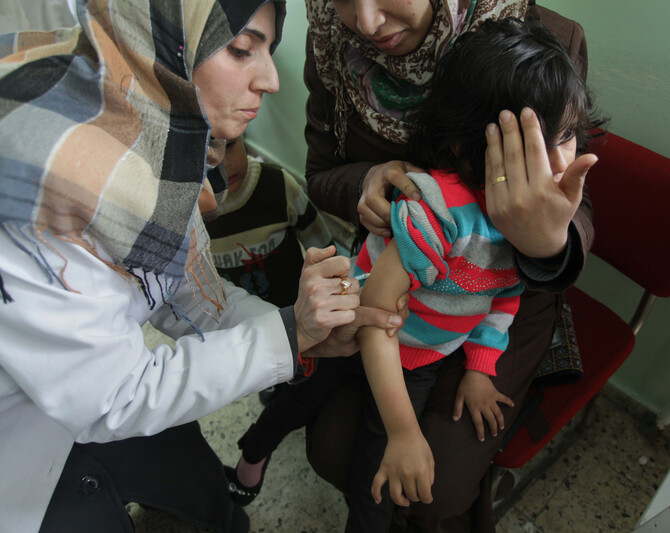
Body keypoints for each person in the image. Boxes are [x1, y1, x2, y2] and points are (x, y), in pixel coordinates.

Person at [0, 1, 404, 532]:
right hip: (25, 437)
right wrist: (289, 334)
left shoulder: (153, 137)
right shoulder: (38, 195)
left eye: (268, 51)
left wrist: (301, 332)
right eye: (241, 49)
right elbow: (113, 397)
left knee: (208, 501)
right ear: (164, 43)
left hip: (110, 409)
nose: (270, 80)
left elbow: (188, 291)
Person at [227, 11, 601, 533]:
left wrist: (542, 246)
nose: (367, 19)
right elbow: (374, 313)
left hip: (440, 334)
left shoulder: (546, 47)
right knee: (327, 433)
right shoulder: (440, 213)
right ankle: (255, 453)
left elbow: (505, 291)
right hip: (386, 315)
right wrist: (372, 181)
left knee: (420, 486)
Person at [206, 135, 333, 308]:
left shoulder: (278, 183)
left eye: (229, 145)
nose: (224, 164)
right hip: (240, 322)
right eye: (206, 155)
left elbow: (320, 243)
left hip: (297, 308)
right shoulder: (193, 209)